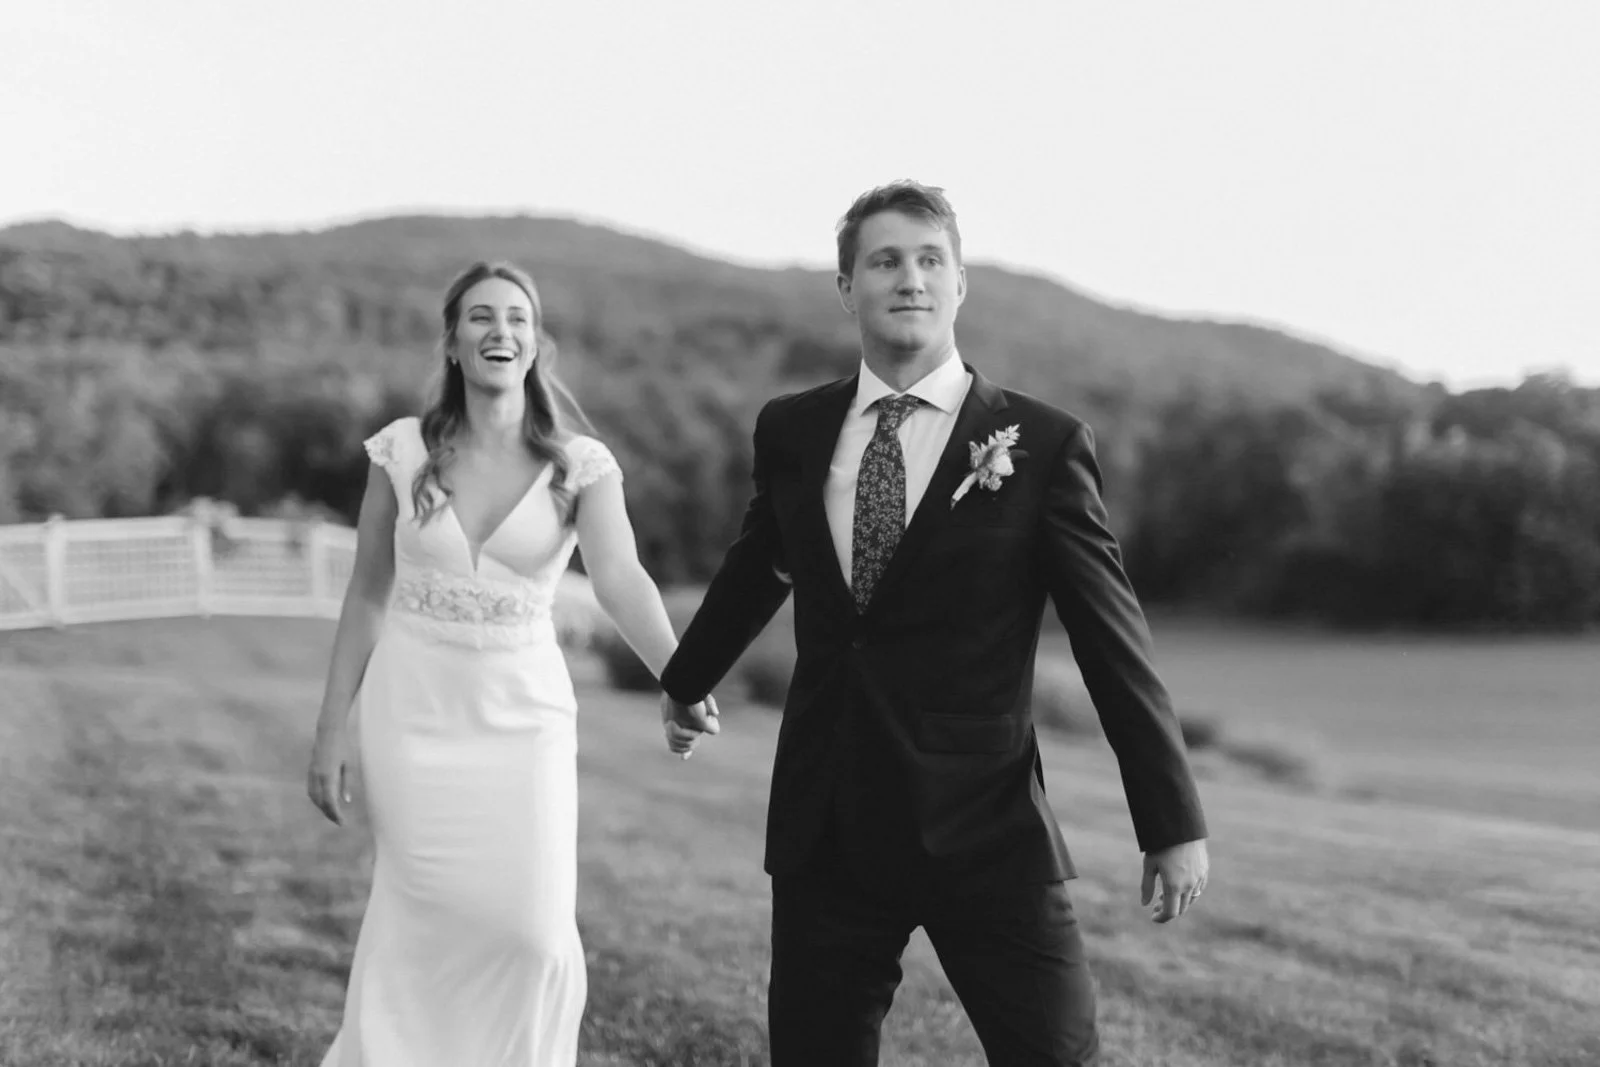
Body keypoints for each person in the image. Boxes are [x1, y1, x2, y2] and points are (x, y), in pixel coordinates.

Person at [659, 180, 1210, 1066]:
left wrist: (1171, 817)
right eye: (883, 260)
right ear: (848, 287)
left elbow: (1113, 639)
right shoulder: (794, 431)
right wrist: (686, 681)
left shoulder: (1041, 444)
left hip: (982, 822)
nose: (907, 278)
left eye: (928, 260)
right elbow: (761, 564)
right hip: (828, 815)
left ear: (960, 284)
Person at [306, 260, 712, 1066]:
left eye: (518, 318)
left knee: (533, 933)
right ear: (453, 343)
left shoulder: (579, 464)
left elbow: (622, 582)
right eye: (482, 317)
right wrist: (328, 731)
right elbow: (367, 594)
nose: (502, 331)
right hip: (412, 710)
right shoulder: (400, 451)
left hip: (522, 716)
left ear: (536, 342)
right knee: (417, 922)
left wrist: (683, 674)